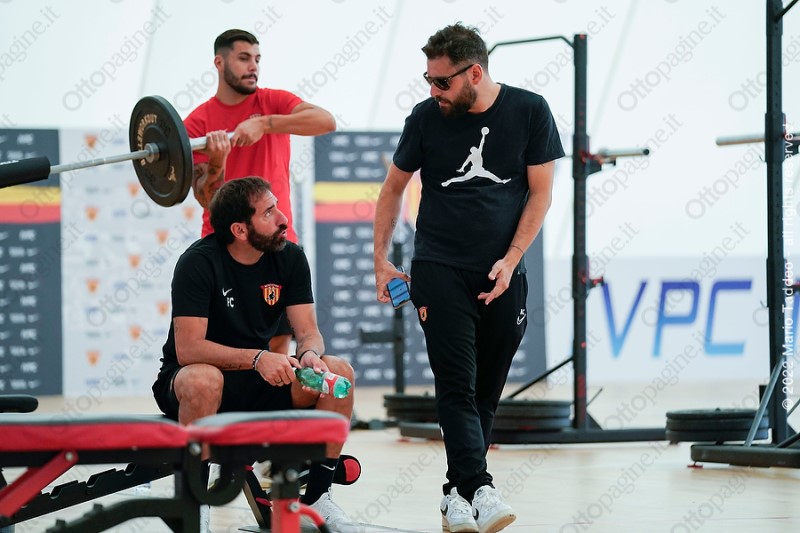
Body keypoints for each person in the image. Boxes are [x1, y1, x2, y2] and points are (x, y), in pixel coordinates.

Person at [373, 23, 564, 533]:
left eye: (443, 82)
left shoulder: (530, 110)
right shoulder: (425, 118)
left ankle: (454, 495)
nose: (434, 91)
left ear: (474, 73)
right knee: (456, 383)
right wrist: (380, 260)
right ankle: (480, 487)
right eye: (428, 80)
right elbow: (392, 190)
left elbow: (541, 193)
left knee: (484, 393)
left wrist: (512, 257)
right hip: (438, 268)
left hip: (503, 272)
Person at [152, 177, 358, 532]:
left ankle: (318, 496)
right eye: (268, 212)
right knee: (204, 379)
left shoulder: (290, 257)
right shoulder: (198, 263)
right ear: (240, 230)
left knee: (338, 370)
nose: (283, 219)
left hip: (260, 380)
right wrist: (258, 358)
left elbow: (308, 332)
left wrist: (310, 354)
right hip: (192, 381)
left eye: (277, 207)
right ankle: (194, 502)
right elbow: (188, 349)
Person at [186, 28, 336, 355]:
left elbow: (326, 121)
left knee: (278, 347)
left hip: (275, 242)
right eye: (243, 58)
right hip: (223, 246)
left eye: (257, 58)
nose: (253, 66)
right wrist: (217, 160)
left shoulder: (273, 102)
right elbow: (205, 198)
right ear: (219, 62)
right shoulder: (197, 123)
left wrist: (265, 123)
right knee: (220, 348)